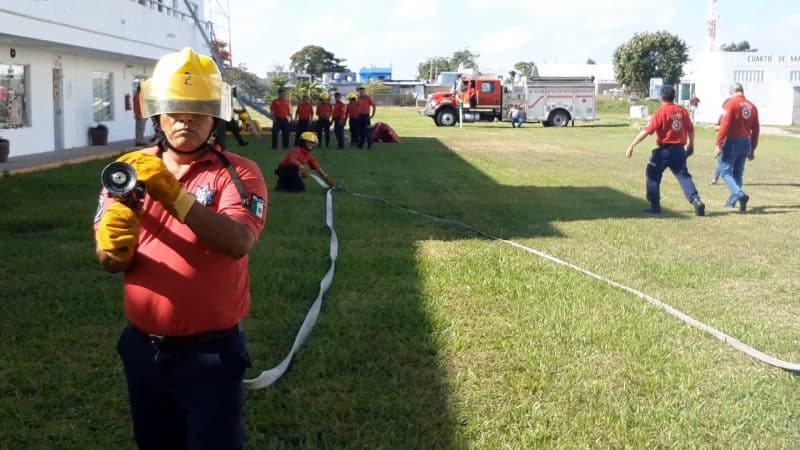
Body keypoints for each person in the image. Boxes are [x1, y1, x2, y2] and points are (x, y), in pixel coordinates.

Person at [93, 47, 268, 449]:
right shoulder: (127, 171)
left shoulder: (238, 172)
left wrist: (174, 195)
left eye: (198, 111)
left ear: (215, 118)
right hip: (143, 349)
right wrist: (114, 245)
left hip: (212, 353)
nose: (185, 119)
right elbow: (109, 262)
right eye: (174, 110)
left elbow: (238, 241)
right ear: (158, 116)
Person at [625, 85, 705, 216]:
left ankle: (655, 206)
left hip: (664, 151)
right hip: (679, 151)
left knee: (652, 174)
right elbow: (691, 129)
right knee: (683, 176)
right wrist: (691, 145)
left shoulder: (660, 112)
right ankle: (696, 200)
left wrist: (632, 145)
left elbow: (646, 131)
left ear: (661, 97)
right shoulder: (682, 111)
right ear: (673, 97)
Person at [716, 82, 759, 212]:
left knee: (725, 171)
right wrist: (753, 147)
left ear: (732, 91)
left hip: (732, 141)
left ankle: (740, 195)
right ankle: (732, 202)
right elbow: (756, 129)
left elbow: (725, 125)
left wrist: (719, 143)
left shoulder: (731, 103)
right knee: (738, 173)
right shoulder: (752, 106)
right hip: (746, 142)